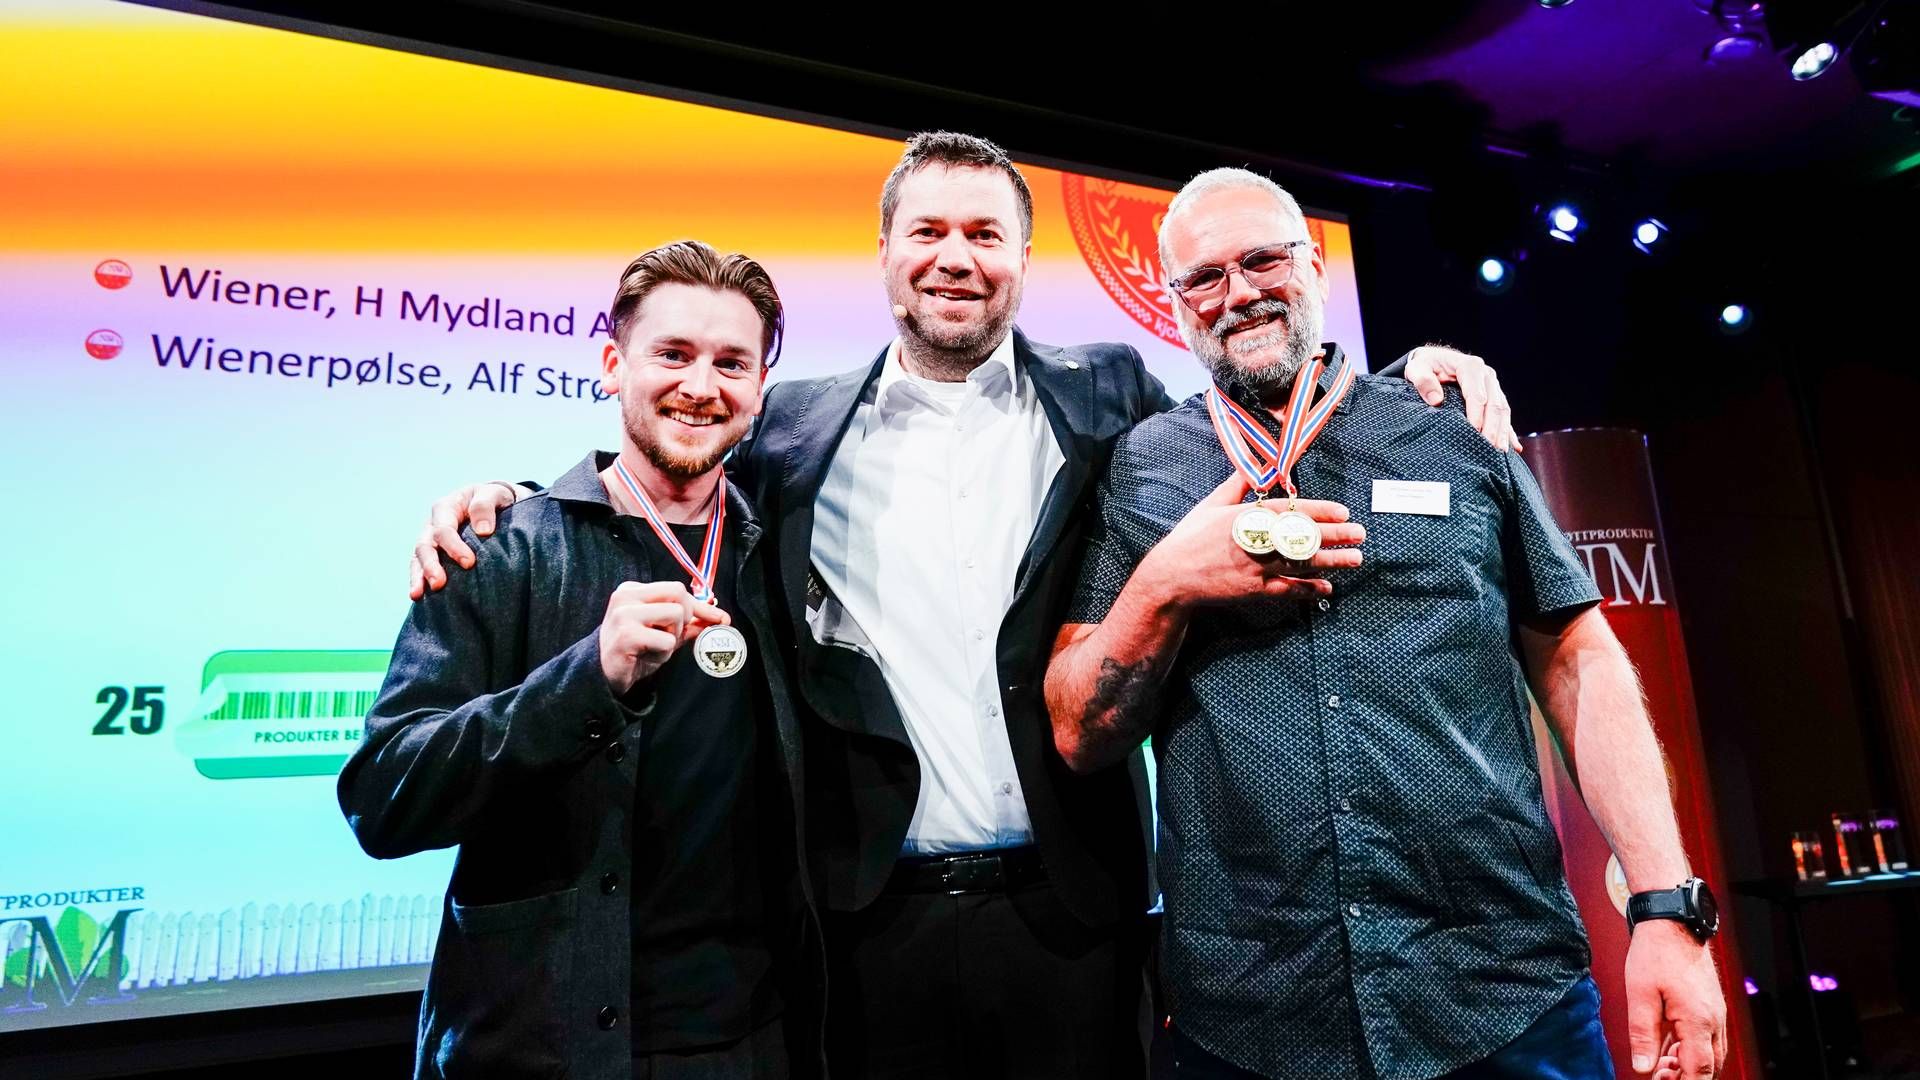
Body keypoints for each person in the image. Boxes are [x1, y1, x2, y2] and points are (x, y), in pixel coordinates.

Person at [410, 133, 1525, 1079]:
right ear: (885, 254)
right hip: (861, 918)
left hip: (1073, 911)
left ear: (1026, 261)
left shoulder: (1111, 401)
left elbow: (1264, 405)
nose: (956, 258)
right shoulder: (789, 430)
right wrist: (508, 495)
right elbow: (665, 462)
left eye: (986, 236)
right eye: (929, 232)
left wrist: (1404, 370)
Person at [1043, 167, 1726, 1080]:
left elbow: (1578, 662)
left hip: (1499, 990)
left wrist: (1665, 909)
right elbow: (1080, 731)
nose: (1237, 293)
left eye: (1262, 260)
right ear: (1172, 306)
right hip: (1251, 1015)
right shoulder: (1142, 469)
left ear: (1315, 264)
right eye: (1204, 278)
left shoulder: (1451, 423)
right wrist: (1165, 584)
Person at [339, 241, 818, 1079]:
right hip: (545, 1045)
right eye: (672, 354)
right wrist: (584, 680)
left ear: (758, 391)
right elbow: (383, 797)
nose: (701, 386)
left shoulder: (784, 554)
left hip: (751, 1041)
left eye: (732, 363)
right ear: (611, 363)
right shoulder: (500, 550)